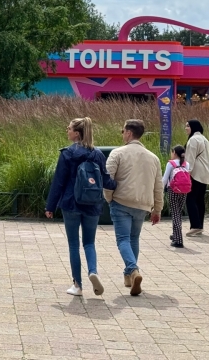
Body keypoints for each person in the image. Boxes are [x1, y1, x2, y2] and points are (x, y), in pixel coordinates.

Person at [45, 117, 116, 297]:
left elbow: (58, 182)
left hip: (71, 203)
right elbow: (107, 181)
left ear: (77, 133)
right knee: (89, 242)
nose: (67, 131)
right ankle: (93, 271)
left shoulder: (68, 153)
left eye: (69, 128)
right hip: (92, 204)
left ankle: (77, 285)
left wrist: (50, 206)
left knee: (73, 244)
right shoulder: (98, 154)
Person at [104, 119, 163, 296]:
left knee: (122, 239)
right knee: (134, 239)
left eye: (123, 131)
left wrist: (109, 198)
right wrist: (157, 209)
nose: (122, 134)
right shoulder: (153, 158)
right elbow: (158, 186)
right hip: (142, 205)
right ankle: (128, 276)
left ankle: (133, 269)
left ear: (129, 133)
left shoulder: (117, 153)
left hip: (121, 201)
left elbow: (107, 178)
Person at [184, 119, 209, 237]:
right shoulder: (205, 139)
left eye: (188, 126)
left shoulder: (193, 140)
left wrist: (186, 173)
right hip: (205, 172)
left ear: (193, 127)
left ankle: (195, 226)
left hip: (196, 173)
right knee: (200, 199)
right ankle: (200, 225)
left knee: (190, 199)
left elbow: (189, 159)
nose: (186, 128)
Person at [163, 145, 190, 248]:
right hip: (184, 191)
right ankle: (175, 235)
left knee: (175, 214)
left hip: (173, 191)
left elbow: (165, 179)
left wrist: (160, 190)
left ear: (174, 152)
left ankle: (178, 240)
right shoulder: (186, 164)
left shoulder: (171, 164)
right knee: (178, 213)